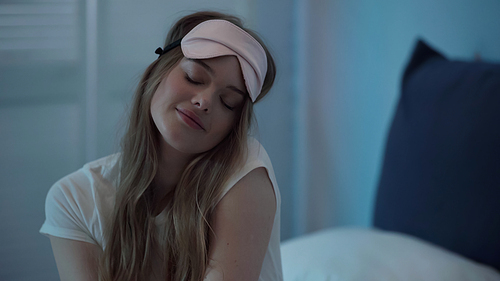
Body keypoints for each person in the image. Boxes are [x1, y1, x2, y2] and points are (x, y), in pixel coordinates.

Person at [39, 11, 282, 281]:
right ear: (157, 70)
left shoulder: (245, 166)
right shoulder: (75, 199)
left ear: (233, 126)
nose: (204, 101)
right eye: (193, 77)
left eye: (228, 102)